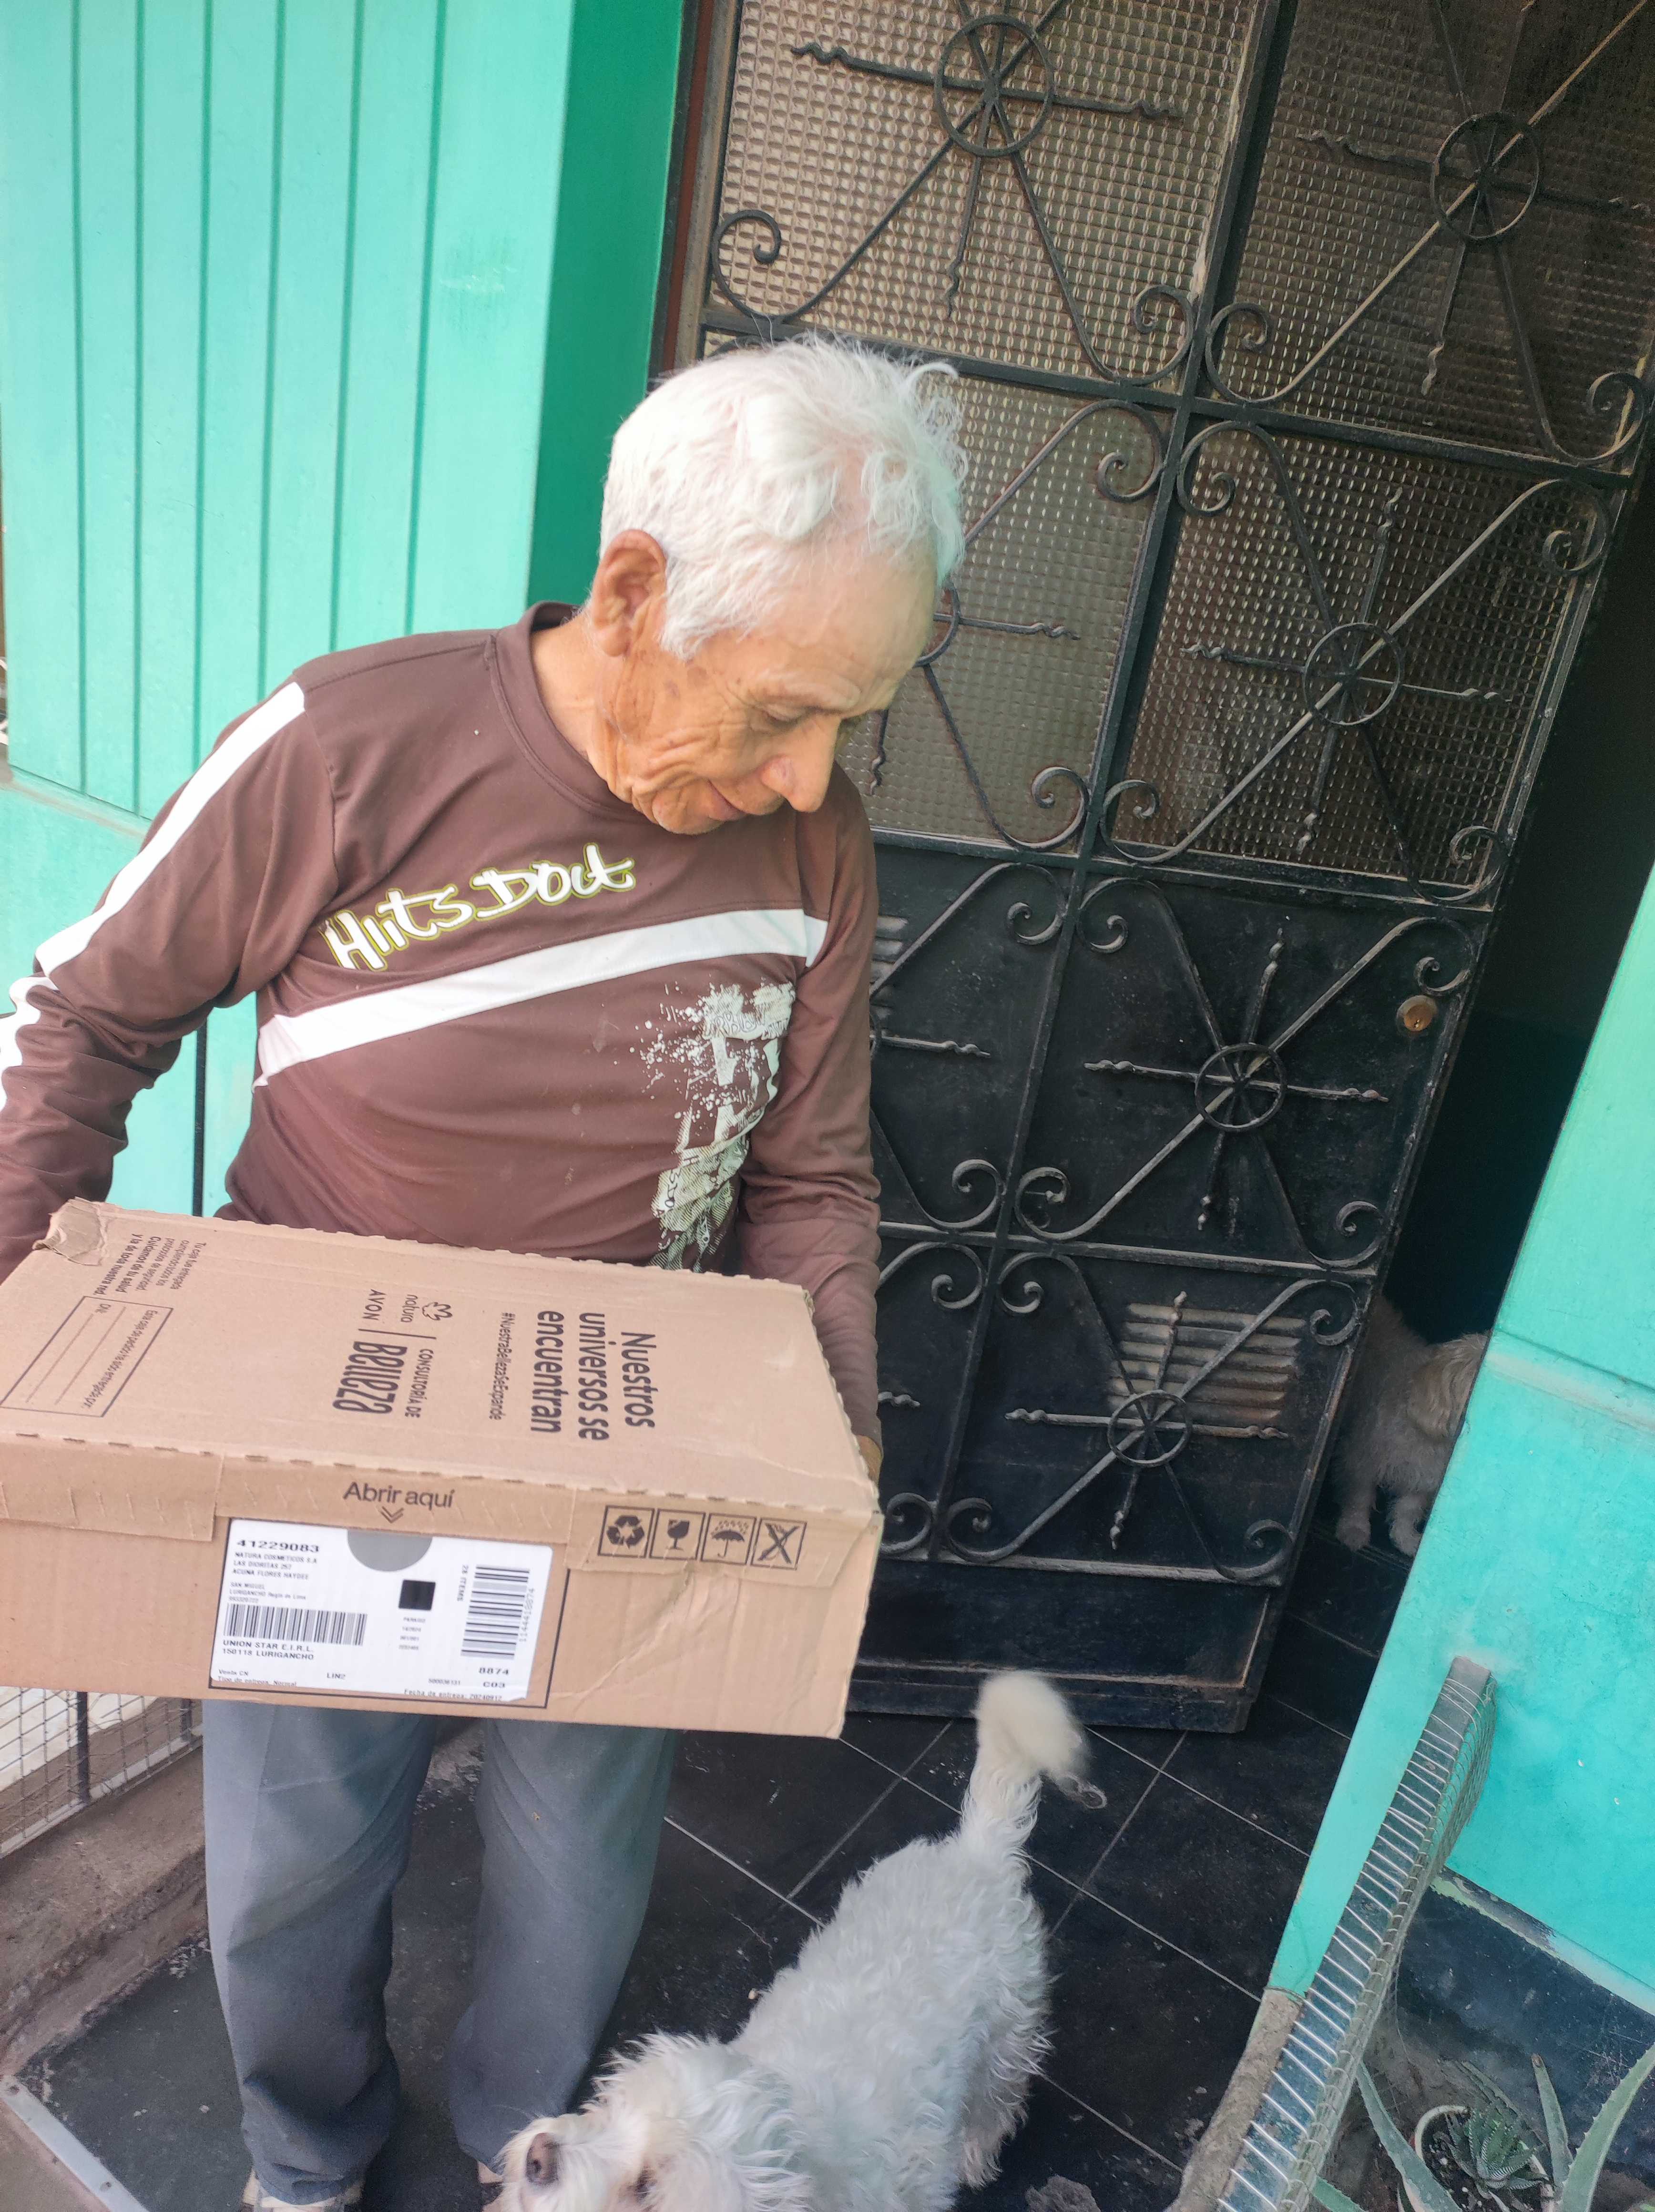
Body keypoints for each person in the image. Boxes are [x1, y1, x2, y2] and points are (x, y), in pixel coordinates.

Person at [0, 337, 965, 2209]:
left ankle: (533, 2155)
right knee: (294, 1869)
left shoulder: (812, 841)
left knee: (577, 1880)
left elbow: (810, 1177)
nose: (813, 773)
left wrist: (831, 1443)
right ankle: (304, 2155)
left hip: (620, 1458)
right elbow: (84, 1019)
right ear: (635, 596)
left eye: (854, 720)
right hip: (330, 1445)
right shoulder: (346, 747)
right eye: (784, 708)